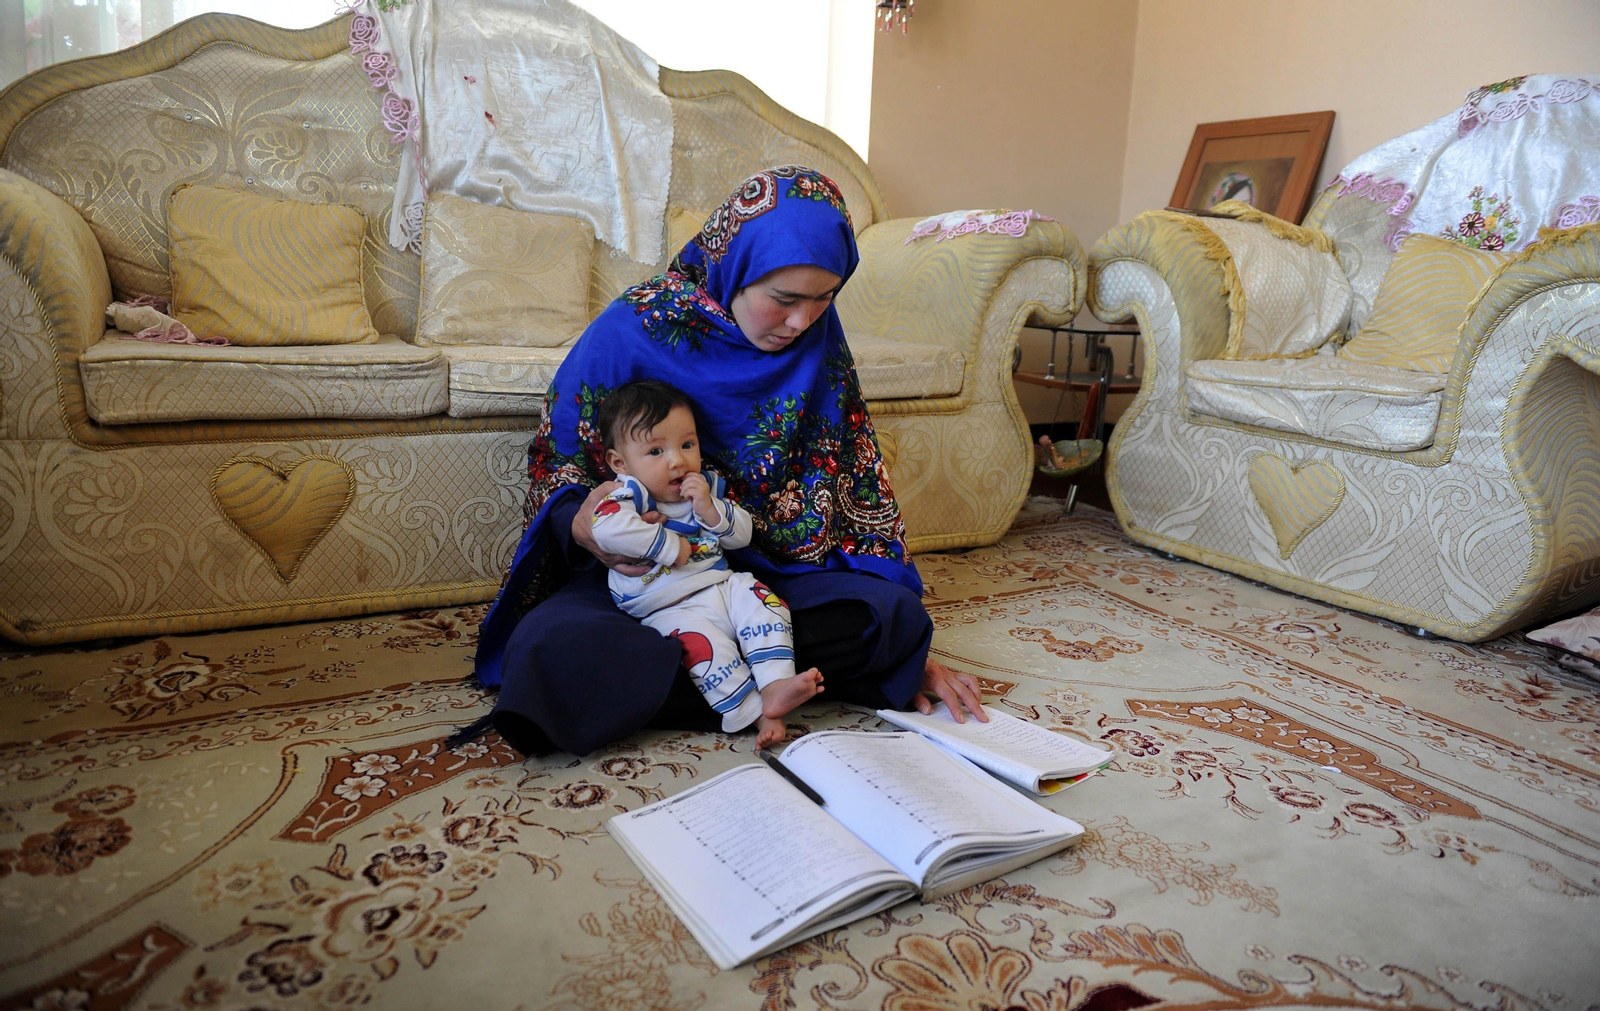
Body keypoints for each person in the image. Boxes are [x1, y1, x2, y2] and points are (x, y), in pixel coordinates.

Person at [473, 165, 987, 757]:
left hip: (756, 575)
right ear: (734, 267)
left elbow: (849, 475)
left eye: (824, 299)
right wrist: (584, 527)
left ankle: (693, 685)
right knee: (549, 650)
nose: (802, 322)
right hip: (636, 584)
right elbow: (559, 461)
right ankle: (755, 680)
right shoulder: (636, 326)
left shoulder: (818, 339)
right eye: (785, 299)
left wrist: (911, 654)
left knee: (891, 618)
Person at [591, 379, 824, 747]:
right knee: (703, 650)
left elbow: (742, 535)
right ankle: (759, 711)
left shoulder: (706, 489)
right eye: (655, 450)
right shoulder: (628, 495)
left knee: (760, 597)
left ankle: (776, 680)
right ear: (621, 463)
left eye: (687, 445)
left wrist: (711, 511)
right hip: (668, 605)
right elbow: (605, 530)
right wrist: (668, 547)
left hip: (719, 585)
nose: (677, 460)